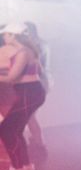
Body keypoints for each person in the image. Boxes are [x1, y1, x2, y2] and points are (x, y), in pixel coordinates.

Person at [0, 23, 46, 170]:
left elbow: (12, 77)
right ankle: (25, 167)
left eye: (6, 34)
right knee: (15, 130)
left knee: (6, 129)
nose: (4, 37)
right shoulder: (28, 51)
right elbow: (37, 72)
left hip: (28, 93)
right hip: (31, 92)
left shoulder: (22, 52)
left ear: (14, 35)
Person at [23, 22, 49, 158]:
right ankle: (36, 141)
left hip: (34, 82)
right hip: (42, 82)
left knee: (29, 115)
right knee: (30, 115)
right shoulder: (42, 43)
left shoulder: (32, 46)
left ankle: (39, 142)